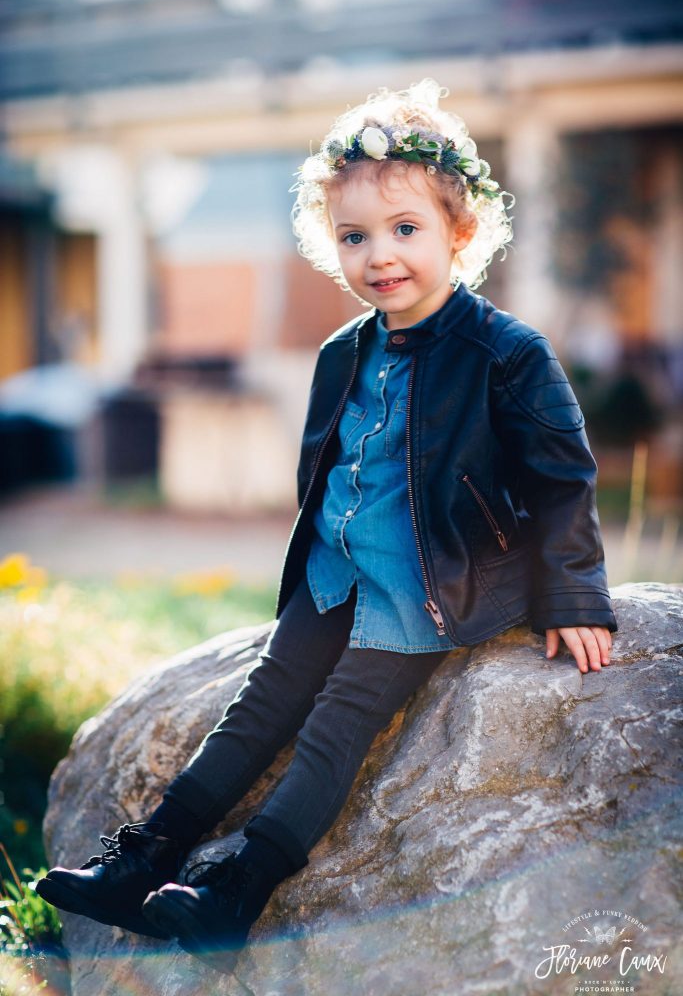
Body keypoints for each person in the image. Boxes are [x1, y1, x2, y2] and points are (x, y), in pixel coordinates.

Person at [35, 79, 617, 975]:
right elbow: (328, 470)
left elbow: (561, 478)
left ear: (460, 232)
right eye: (354, 237)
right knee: (261, 703)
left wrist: (573, 593)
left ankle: (237, 889)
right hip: (339, 572)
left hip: (431, 581)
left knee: (337, 723)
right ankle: (143, 857)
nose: (380, 255)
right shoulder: (341, 352)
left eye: (405, 230)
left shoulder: (506, 353)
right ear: (329, 241)